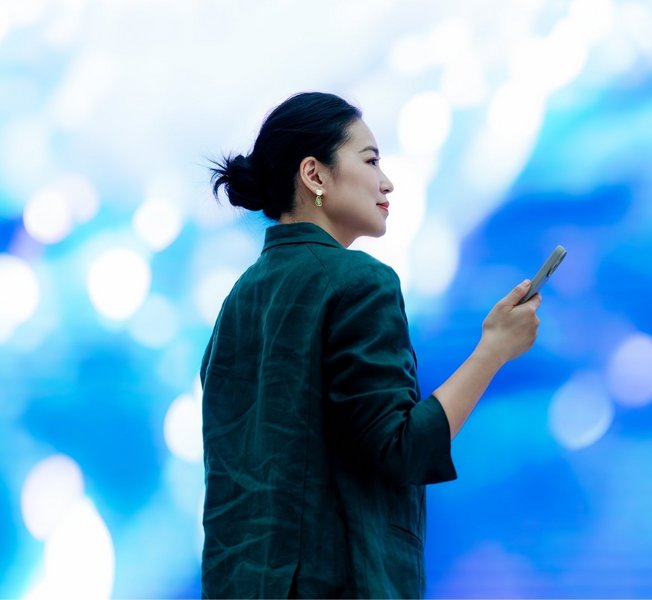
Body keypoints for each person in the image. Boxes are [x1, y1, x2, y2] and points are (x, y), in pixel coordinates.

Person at [200, 91, 541, 599]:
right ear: (314, 175)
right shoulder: (360, 281)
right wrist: (493, 349)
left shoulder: (237, 303)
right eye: (371, 160)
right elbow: (402, 449)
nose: (387, 182)